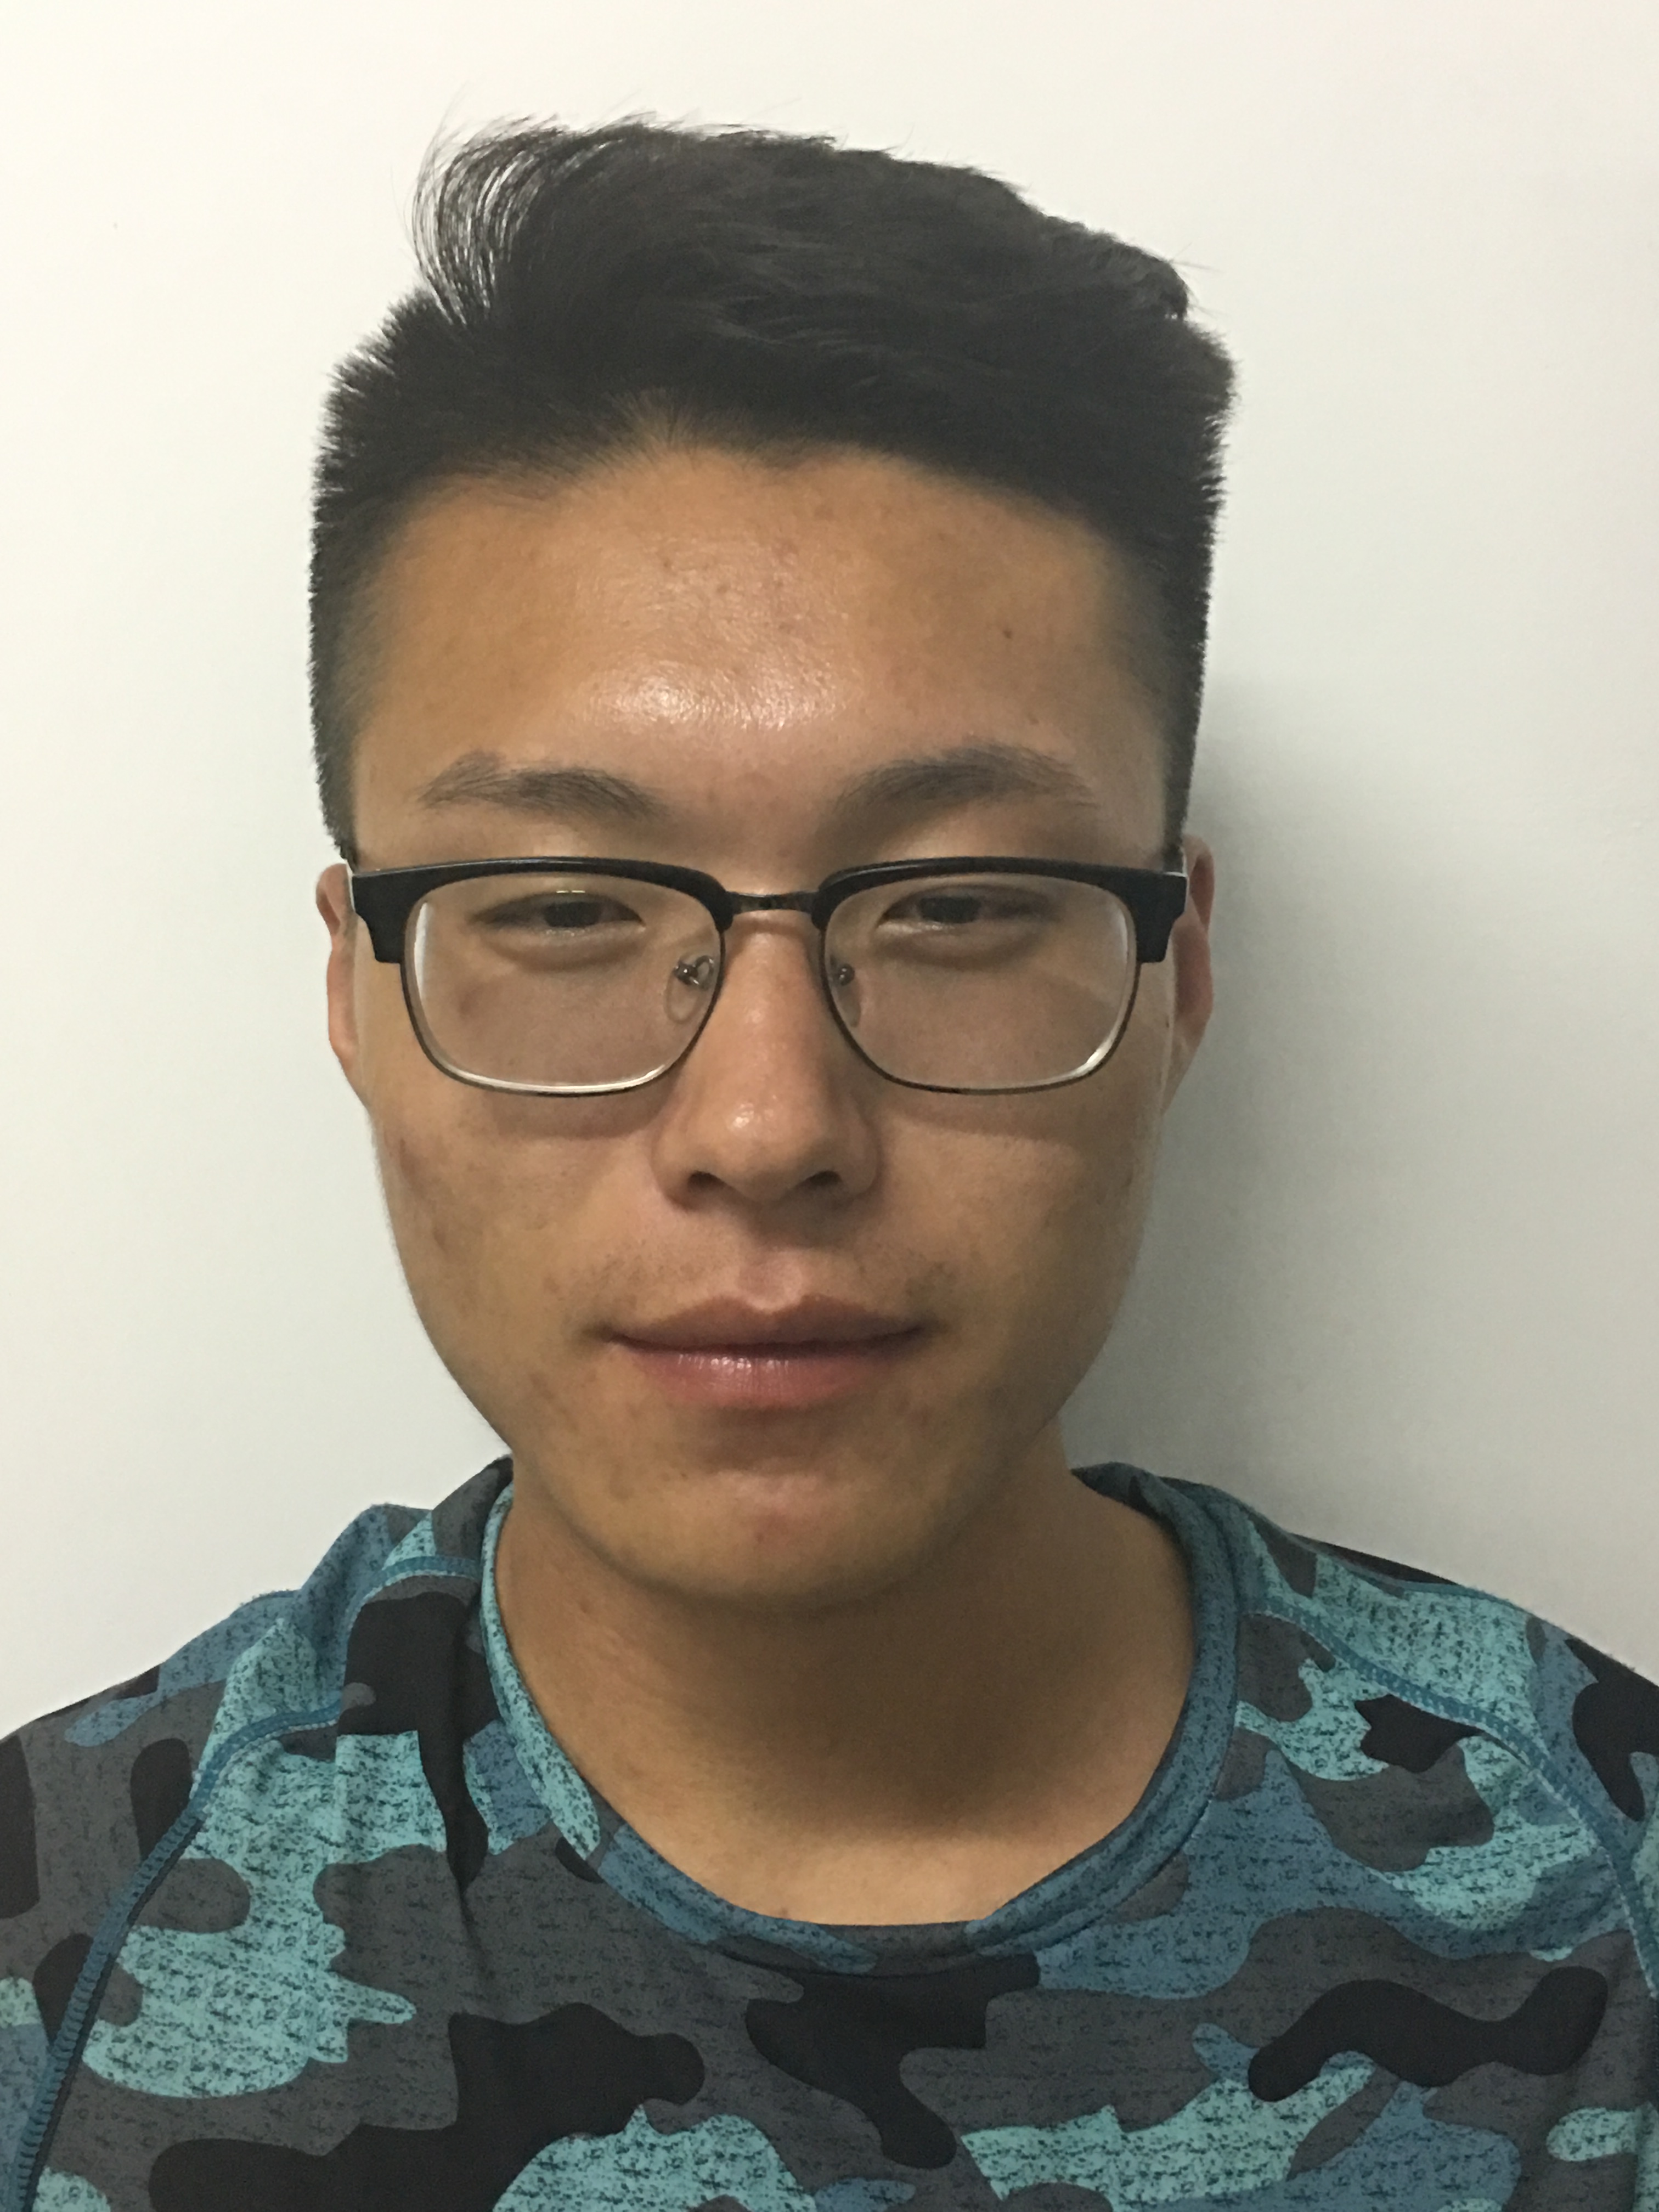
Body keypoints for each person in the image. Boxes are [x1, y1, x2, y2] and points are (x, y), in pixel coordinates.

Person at [2, 117, 1656, 2212]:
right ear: (358, 989)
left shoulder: (1603, 1915)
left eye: (957, 905)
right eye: (566, 907)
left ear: (1174, 975)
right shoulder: (66, 1944)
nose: (767, 1127)